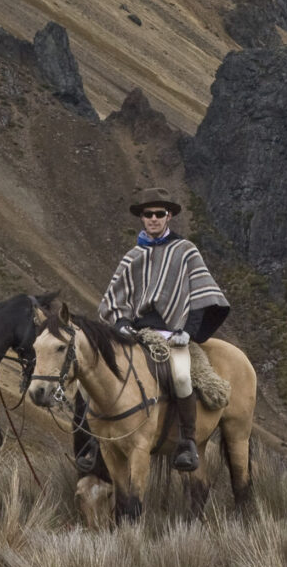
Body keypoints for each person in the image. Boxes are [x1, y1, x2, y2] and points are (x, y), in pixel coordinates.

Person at [97, 187, 230, 472]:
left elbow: (201, 293)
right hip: (137, 334)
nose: (154, 218)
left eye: (159, 214)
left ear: (169, 216)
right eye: (148, 214)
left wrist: (189, 332)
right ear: (142, 218)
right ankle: (93, 446)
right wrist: (122, 324)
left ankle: (188, 443)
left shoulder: (185, 252)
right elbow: (115, 300)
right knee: (102, 373)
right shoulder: (132, 257)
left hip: (174, 334)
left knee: (182, 376)